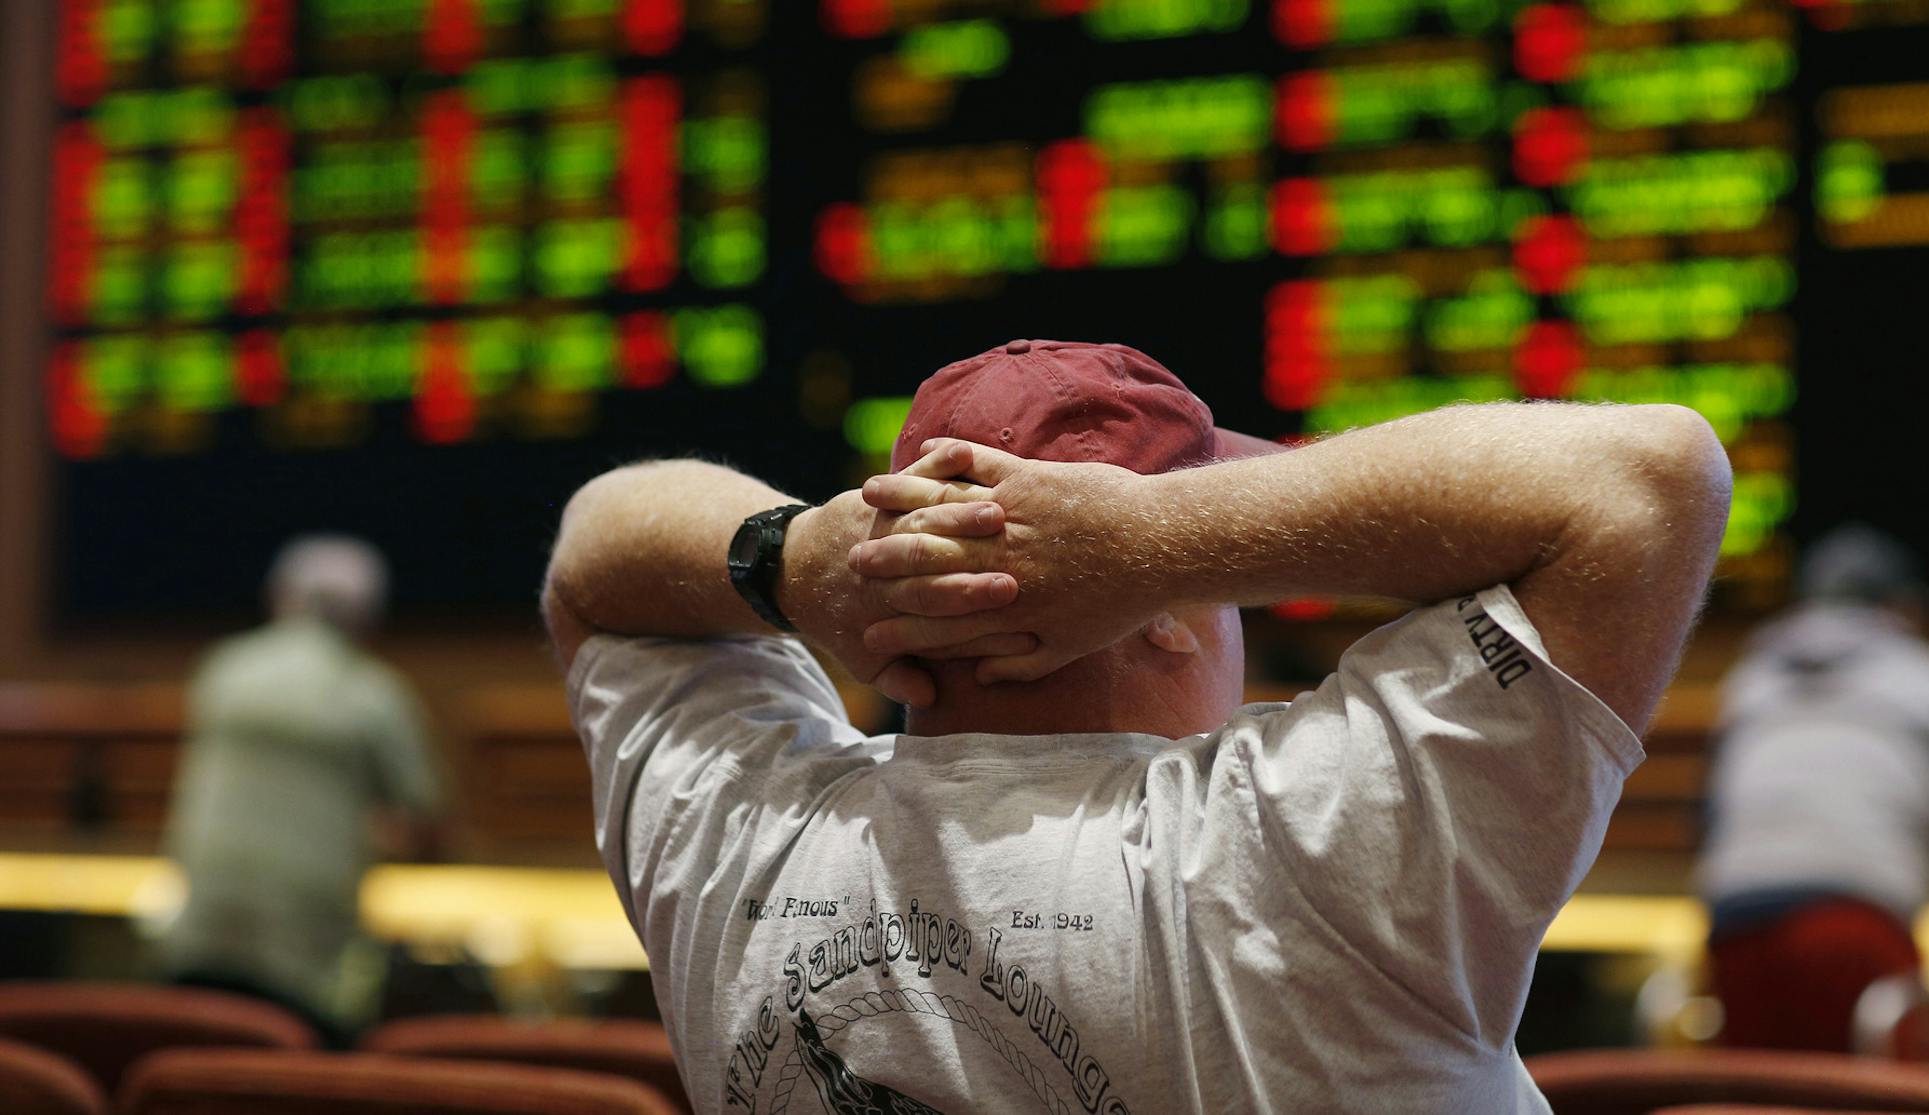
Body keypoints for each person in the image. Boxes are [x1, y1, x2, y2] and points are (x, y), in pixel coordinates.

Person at [543, 340, 1730, 1112]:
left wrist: (790, 558)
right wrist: (1161, 543)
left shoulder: (740, 840)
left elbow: (599, 557)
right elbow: (1646, 478)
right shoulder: (1302, 846)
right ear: (1160, 611)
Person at [1696, 524, 1929, 1055]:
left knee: (1756, 1101)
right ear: (1904, 607)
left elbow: (1707, 824)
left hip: (1734, 921)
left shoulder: (1747, 682)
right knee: (1876, 1104)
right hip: (1860, 918)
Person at [159, 534, 443, 1043]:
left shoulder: (224, 669)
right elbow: (423, 822)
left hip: (196, 937)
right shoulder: (373, 695)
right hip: (307, 962)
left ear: (282, 597)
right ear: (366, 615)